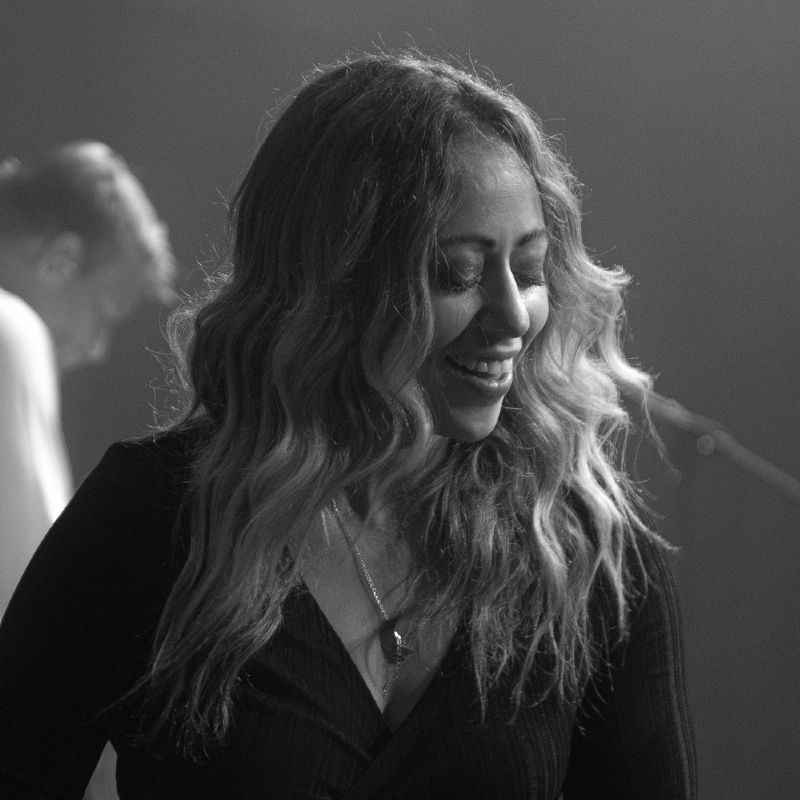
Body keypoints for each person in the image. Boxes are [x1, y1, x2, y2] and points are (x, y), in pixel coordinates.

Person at [0, 52, 696, 799]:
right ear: (335, 280)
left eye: (528, 270)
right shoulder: (155, 515)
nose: (510, 317)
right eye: (457, 274)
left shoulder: (587, 553)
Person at [0, 142, 175, 800]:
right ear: (61, 260)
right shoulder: (9, 327)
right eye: (103, 311)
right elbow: (36, 617)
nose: (96, 348)